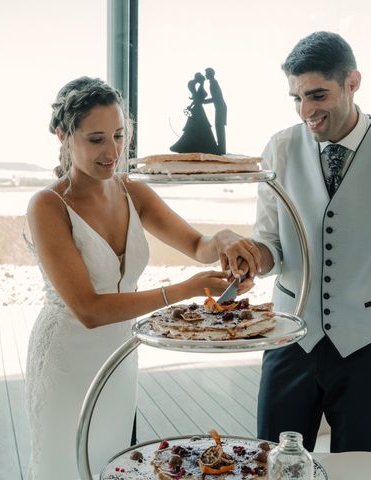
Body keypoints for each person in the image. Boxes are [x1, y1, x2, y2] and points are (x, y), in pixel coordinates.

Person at [215, 31, 371, 453]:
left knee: (363, 468)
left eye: (317, 95)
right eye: (296, 98)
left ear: (353, 82)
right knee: (274, 464)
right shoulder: (279, 149)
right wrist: (254, 257)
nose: (306, 110)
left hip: (370, 350)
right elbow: (271, 244)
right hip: (289, 339)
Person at [25, 76, 248, 479]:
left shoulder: (134, 192)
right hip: (66, 360)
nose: (112, 152)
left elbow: (199, 244)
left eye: (119, 135)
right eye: (96, 139)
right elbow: (88, 310)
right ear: (63, 135)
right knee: (64, 464)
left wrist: (226, 238)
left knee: (111, 461)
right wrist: (188, 289)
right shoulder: (48, 206)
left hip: (120, 358)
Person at [170, 72, 218, 154]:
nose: (204, 79)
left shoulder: (200, 87)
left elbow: (197, 99)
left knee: (199, 126)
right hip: (198, 109)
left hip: (198, 108)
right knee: (199, 125)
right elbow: (197, 99)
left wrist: (191, 105)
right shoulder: (200, 87)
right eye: (203, 79)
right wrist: (191, 105)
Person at [203, 67, 227, 154]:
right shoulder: (212, 83)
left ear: (210, 74)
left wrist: (204, 101)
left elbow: (216, 98)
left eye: (206, 73)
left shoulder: (213, 83)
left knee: (219, 127)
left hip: (220, 108)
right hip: (219, 107)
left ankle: (221, 148)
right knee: (219, 127)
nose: (205, 75)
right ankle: (221, 148)